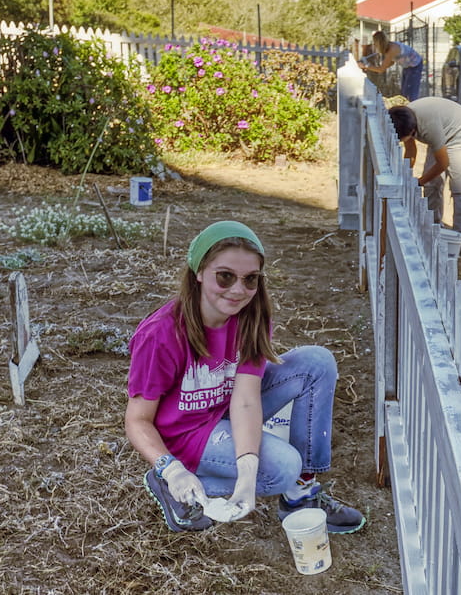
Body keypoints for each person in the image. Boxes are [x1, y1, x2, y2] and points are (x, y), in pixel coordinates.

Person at [125, 220, 366, 534]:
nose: (238, 290)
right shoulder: (162, 335)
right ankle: (174, 484)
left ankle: (302, 494)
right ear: (198, 272)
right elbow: (138, 420)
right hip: (186, 433)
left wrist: (248, 468)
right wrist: (170, 468)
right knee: (282, 467)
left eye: (250, 279)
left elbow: (246, 401)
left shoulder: (250, 317)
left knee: (316, 362)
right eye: (225, 277)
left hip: (224, 407)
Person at [388, 98, 461, 255]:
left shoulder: (428, 128)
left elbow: (443, 164)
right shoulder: (404, 118)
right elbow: (410, 151)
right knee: (432, 184)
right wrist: (405, 175)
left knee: (459, 186)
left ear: (411, 131)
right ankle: (433, 226)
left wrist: (419, 181)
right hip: (441, 131)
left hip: (460, 133)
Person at [360, 30, 424, 101]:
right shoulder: (388, 47)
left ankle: (411, 108)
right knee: (404, 91)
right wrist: (377, 67)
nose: (374, 45)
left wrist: (366, 66)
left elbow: (381, 70)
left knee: (410, 93)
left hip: (415, 65)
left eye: (375, 43)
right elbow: (391, 62)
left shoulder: (392, 49)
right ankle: (406, 106)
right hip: (407, 66)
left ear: (378, 43)